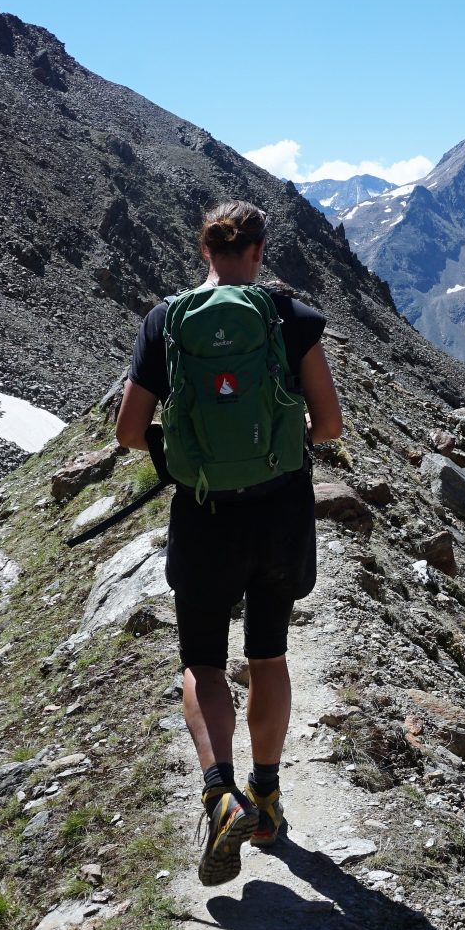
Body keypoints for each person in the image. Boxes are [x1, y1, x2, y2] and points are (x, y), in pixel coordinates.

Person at [115, 200, 343, 885]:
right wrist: (279, 443)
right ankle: (266, 796)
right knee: (268, 655)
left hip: (205, 514)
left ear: (203, 251)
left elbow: (129, 429)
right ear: (260, 250)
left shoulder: (168, 321)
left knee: (203, 663)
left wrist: (180, 451)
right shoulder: (287, 317)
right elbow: (328, 423)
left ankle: (219, 793)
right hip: (279, 514)